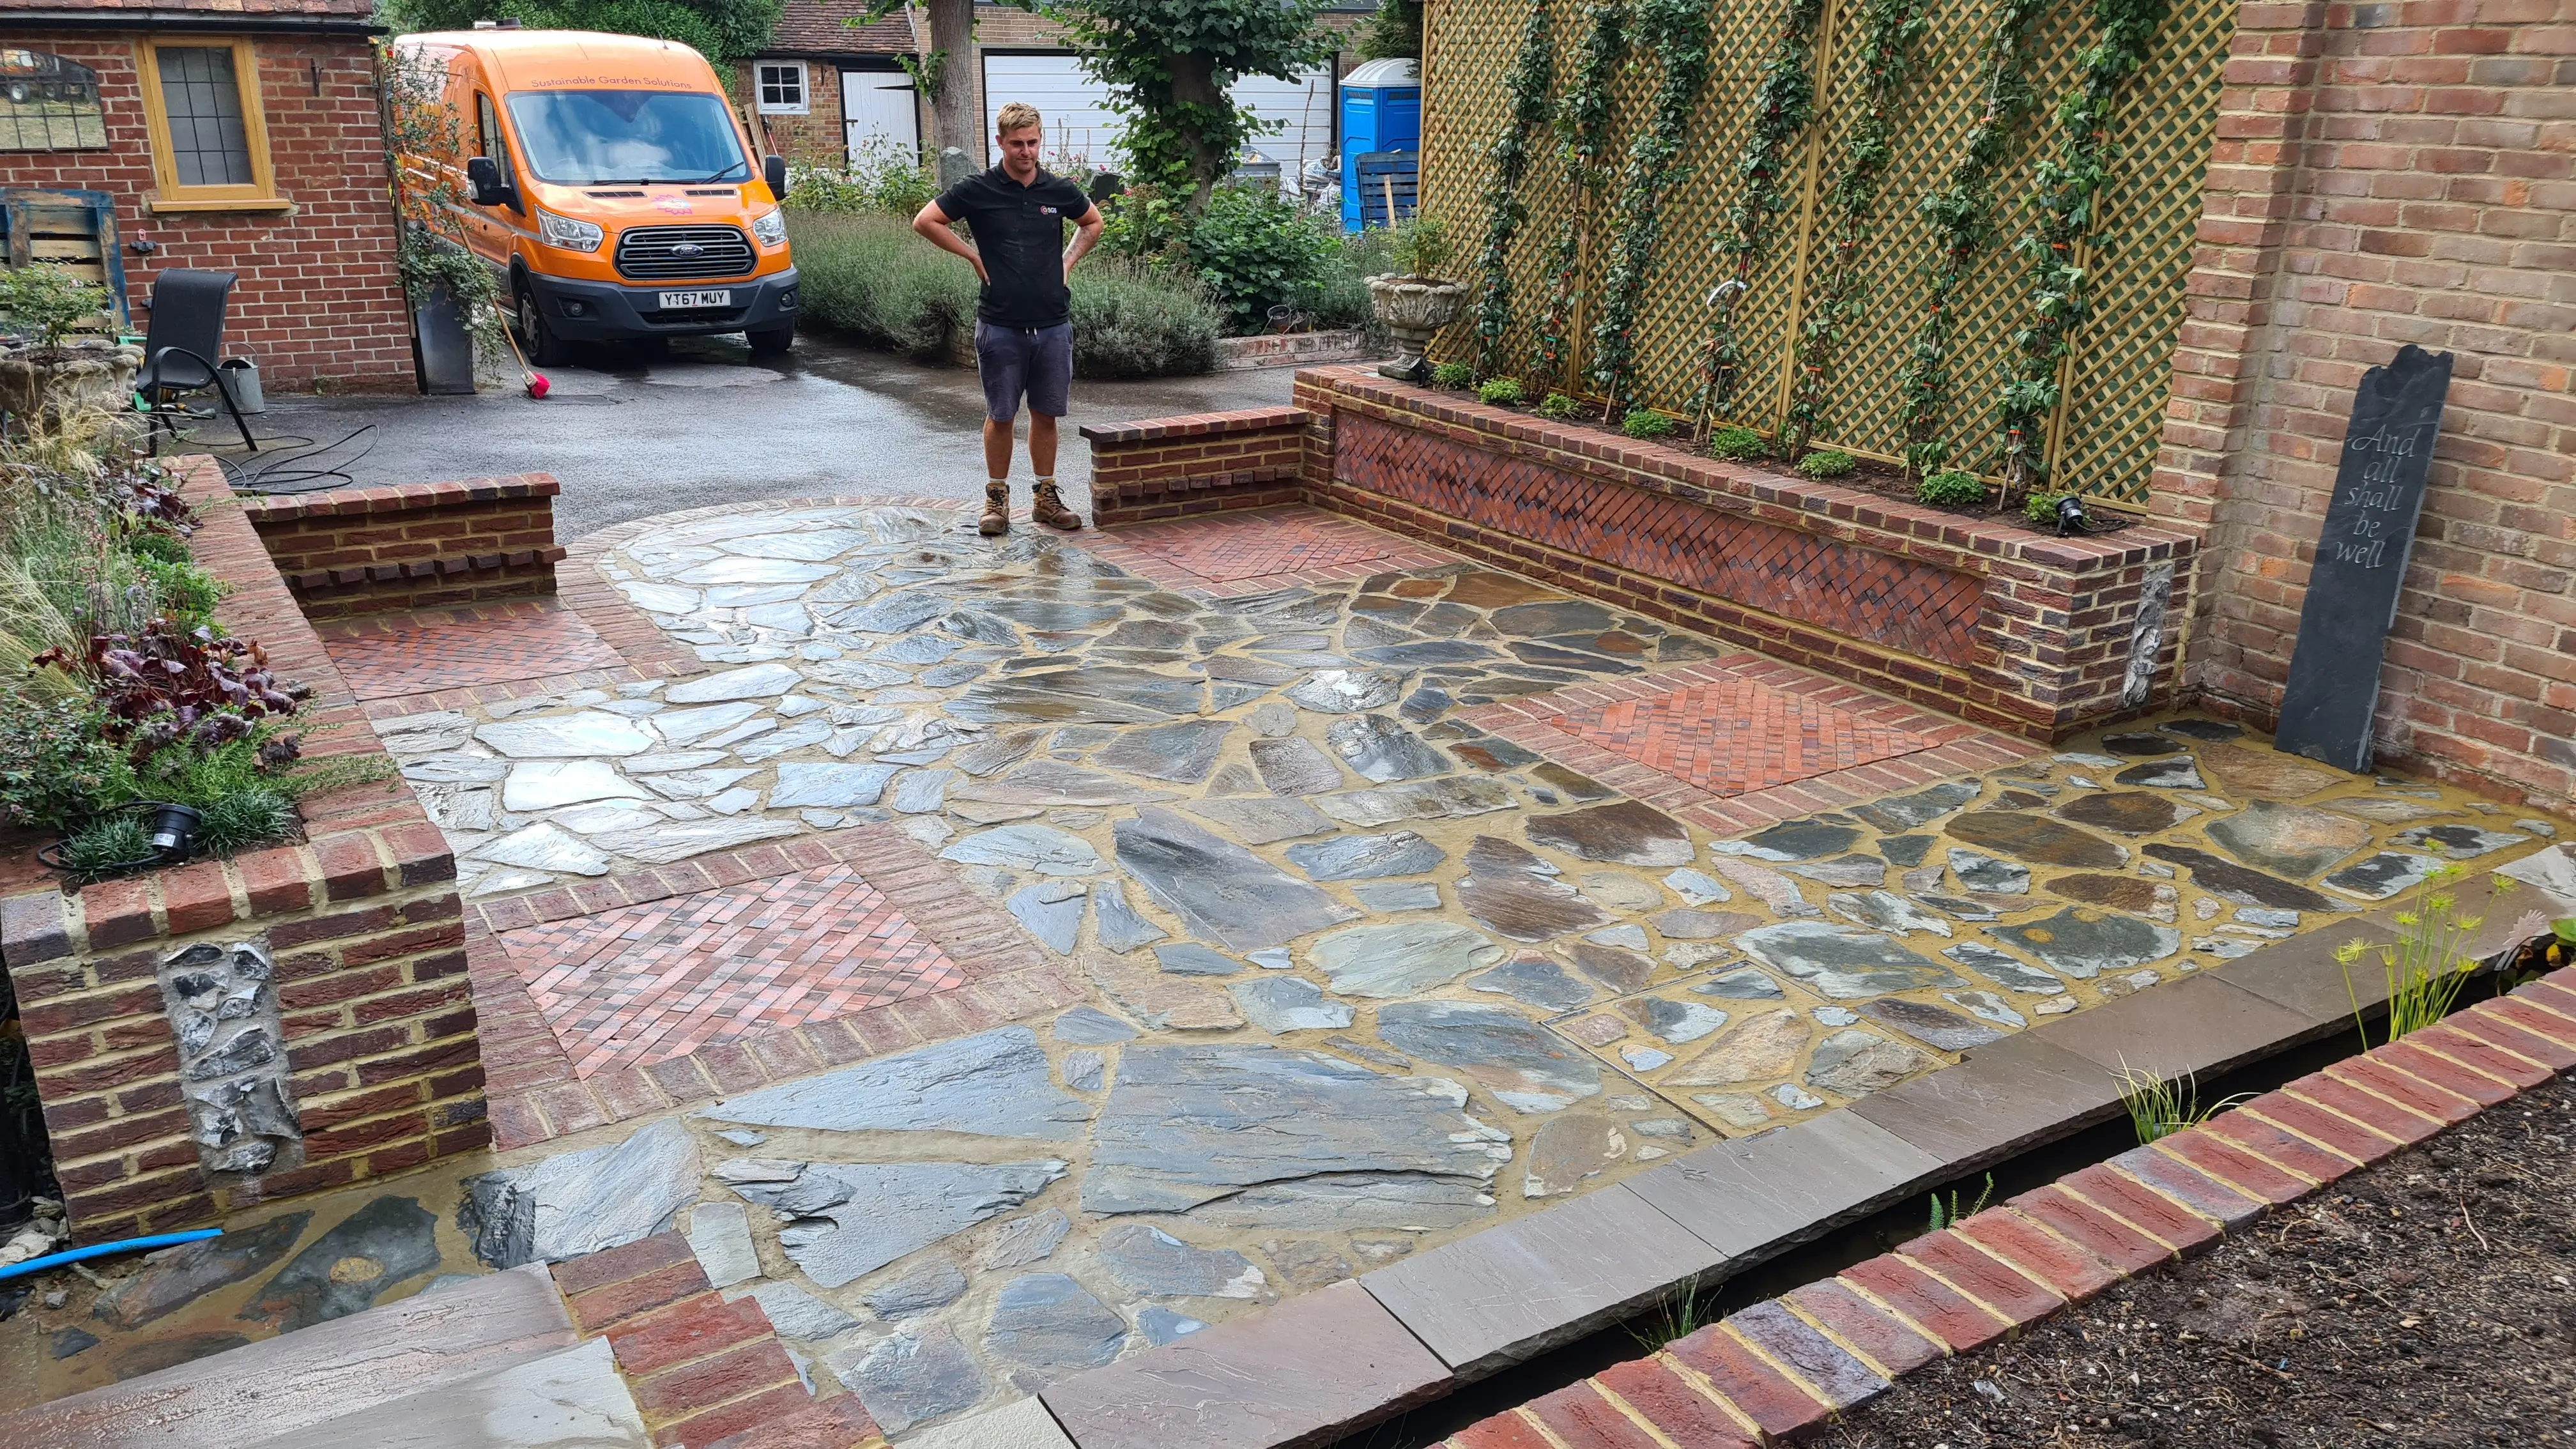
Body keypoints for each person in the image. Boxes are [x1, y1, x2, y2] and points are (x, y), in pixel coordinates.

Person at [912, 103, 1106, 537]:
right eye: (1017, 144)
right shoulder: (979, 188)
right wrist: (971, 255)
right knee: (1001, 415)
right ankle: (996, 500)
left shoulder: (1057, 190)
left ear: (1041, 140)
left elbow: (1093, 223)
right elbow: (926, 221)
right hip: (1000, 324)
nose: (1026, 151)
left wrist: (1067, 263)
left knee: (1046, 414)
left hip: (1053, 324)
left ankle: (1045, 498)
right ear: (999, 142)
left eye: (1033, 142)